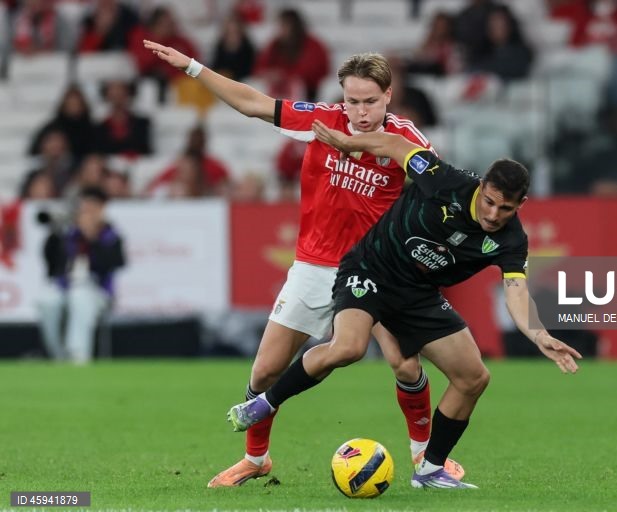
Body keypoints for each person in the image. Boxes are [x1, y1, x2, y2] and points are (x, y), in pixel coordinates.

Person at [143, 40, 465, 487]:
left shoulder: (406, 140)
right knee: (264, 370)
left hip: (378, 269)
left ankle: (423, 460)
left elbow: (439, 188)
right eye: (352, 100)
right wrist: (195, 67)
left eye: (370, 101)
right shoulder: (321, 121)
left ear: (388, 96)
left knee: (405, 364)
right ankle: (256, 460)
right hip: (316, 266)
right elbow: (253, 103)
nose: (360, 111)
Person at [227, 121, 583, 489]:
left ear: (521, 204)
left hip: (417, 295)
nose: (493, 215)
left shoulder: (512, 240)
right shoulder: (444, 180)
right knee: (349, 347)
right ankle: (266, 403)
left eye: (505, 208)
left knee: (473, 377)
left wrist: (539, 334)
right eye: (489, 202)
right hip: (371, 268)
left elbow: (516, 291)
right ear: (481, 188)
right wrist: (349, 142)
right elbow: (395, 144)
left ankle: (429, 470)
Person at [36, 186, 126, 364]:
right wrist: (55, 232)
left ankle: (78, 356)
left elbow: (116, 263)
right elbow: (50, 262)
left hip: (96, 289)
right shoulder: (68, 234)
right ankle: (58, 355)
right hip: (66, 286)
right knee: (46, 301)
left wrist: (92, 237)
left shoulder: (109, 234)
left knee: (80, 297)